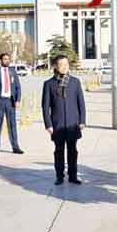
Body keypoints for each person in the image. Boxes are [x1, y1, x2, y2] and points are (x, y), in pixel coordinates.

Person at [42, 55, 86, 185]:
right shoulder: (49, 84)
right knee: (59, 151)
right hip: (57, 124)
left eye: (66, 64)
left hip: (73, 123)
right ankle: (59, 176)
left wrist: (82, 120)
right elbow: (45, 107)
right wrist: (48, 124)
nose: (64, 67)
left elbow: (81, 103)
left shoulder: (75, 82)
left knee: (73, 150)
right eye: (61, 64)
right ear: (56, 66)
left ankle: (73, 175)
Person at [0, 53, 23, 156]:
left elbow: (18, 87)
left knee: (12, 125)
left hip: (10, 102)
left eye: (8, 59)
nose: (7, 61)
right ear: (0, 60)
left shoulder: (13, 71)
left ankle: (15, 147)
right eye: (5, 59)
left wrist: (18, 100)